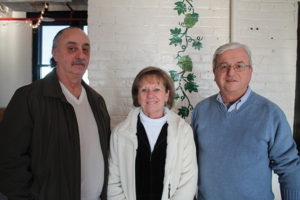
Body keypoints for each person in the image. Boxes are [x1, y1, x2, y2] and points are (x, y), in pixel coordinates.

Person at [0, 27, 111, 200]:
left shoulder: (96, 101)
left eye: (85, 49)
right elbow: (8, 161)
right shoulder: (28, 98)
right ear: (55, 54)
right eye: (72, 48)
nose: (81, 55)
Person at [191, 42, 300, 200]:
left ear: (250, 71)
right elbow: (188, 163)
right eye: (224, 66)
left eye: (239, 66)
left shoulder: (271, 114)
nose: (231, 72)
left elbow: (289, 169)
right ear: (214, 73)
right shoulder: (201, 111)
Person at [107, 66, 198, 200]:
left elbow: (187, 182)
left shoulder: (183, 131)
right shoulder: (120, 134)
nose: (150, 95)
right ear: (137, 96)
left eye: (156, 89)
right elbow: (113, 182)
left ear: (167, 94)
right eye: (144, 90)